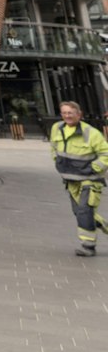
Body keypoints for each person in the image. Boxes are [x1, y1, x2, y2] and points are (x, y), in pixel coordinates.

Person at [50, 100, 108, 257]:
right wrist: (57, 162)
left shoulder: (91, 133)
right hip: (70, 180)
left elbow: (105, 154)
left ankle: (88, 246)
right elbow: (54, 147)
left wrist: (91, 169)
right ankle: (104, 226)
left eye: (70, 113)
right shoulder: (57, 128)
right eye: (64, 113)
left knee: (83, 211)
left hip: (90, 180)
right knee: (79, 212)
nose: (67, 116)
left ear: (79, 114)